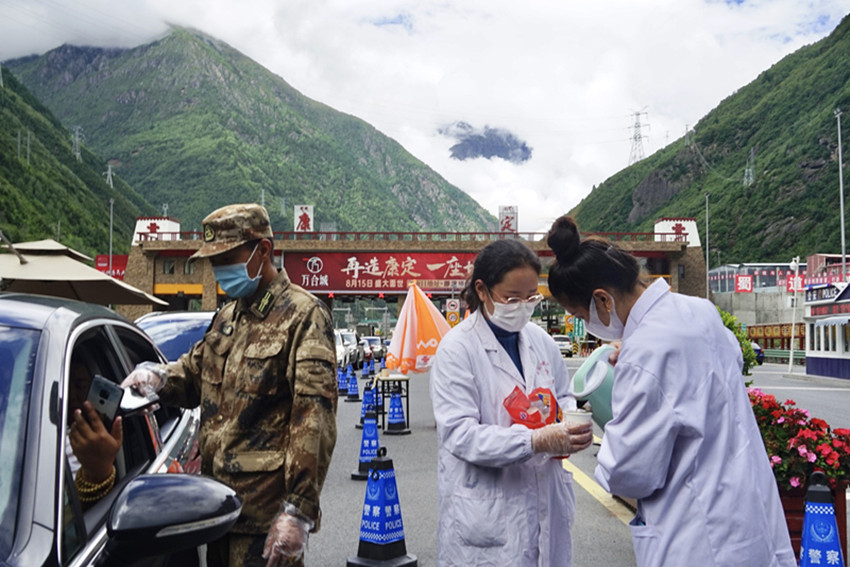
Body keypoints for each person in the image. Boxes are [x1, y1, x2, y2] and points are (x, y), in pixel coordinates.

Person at [545, 215, 795, 567]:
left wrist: (606, 433)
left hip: (699, 535)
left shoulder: (645, 352)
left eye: (581, 315)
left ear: (602, 299)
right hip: (746, 511)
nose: (588, 325)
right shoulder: (699, 311)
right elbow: (723, 361)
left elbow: (629, 473)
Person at [123, 203, 338, 567]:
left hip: (265, 522)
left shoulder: (304, 316)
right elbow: (193, 374)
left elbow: (313, 419)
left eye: (227, 259)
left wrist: (298, 510)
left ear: (263, 251)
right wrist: (159, 378)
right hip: (217, 511)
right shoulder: (227, 317)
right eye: (214, 261)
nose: (219, 270)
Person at [429, 239, 593, 567]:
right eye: (512, 298)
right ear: (482, 290)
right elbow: (460, 434)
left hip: (546, 496)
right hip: (487, 510)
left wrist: (568, 422)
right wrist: (533, 440)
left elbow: (562, 394)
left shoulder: (542, 342)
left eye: (530, 297)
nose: (522, 306)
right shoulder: (457, 349)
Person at [66, 358, 123, 507]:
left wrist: (98, 471)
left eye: (80, 385)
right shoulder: (37, 433)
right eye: (63, 386)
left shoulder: (112, 432)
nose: (71, 395)